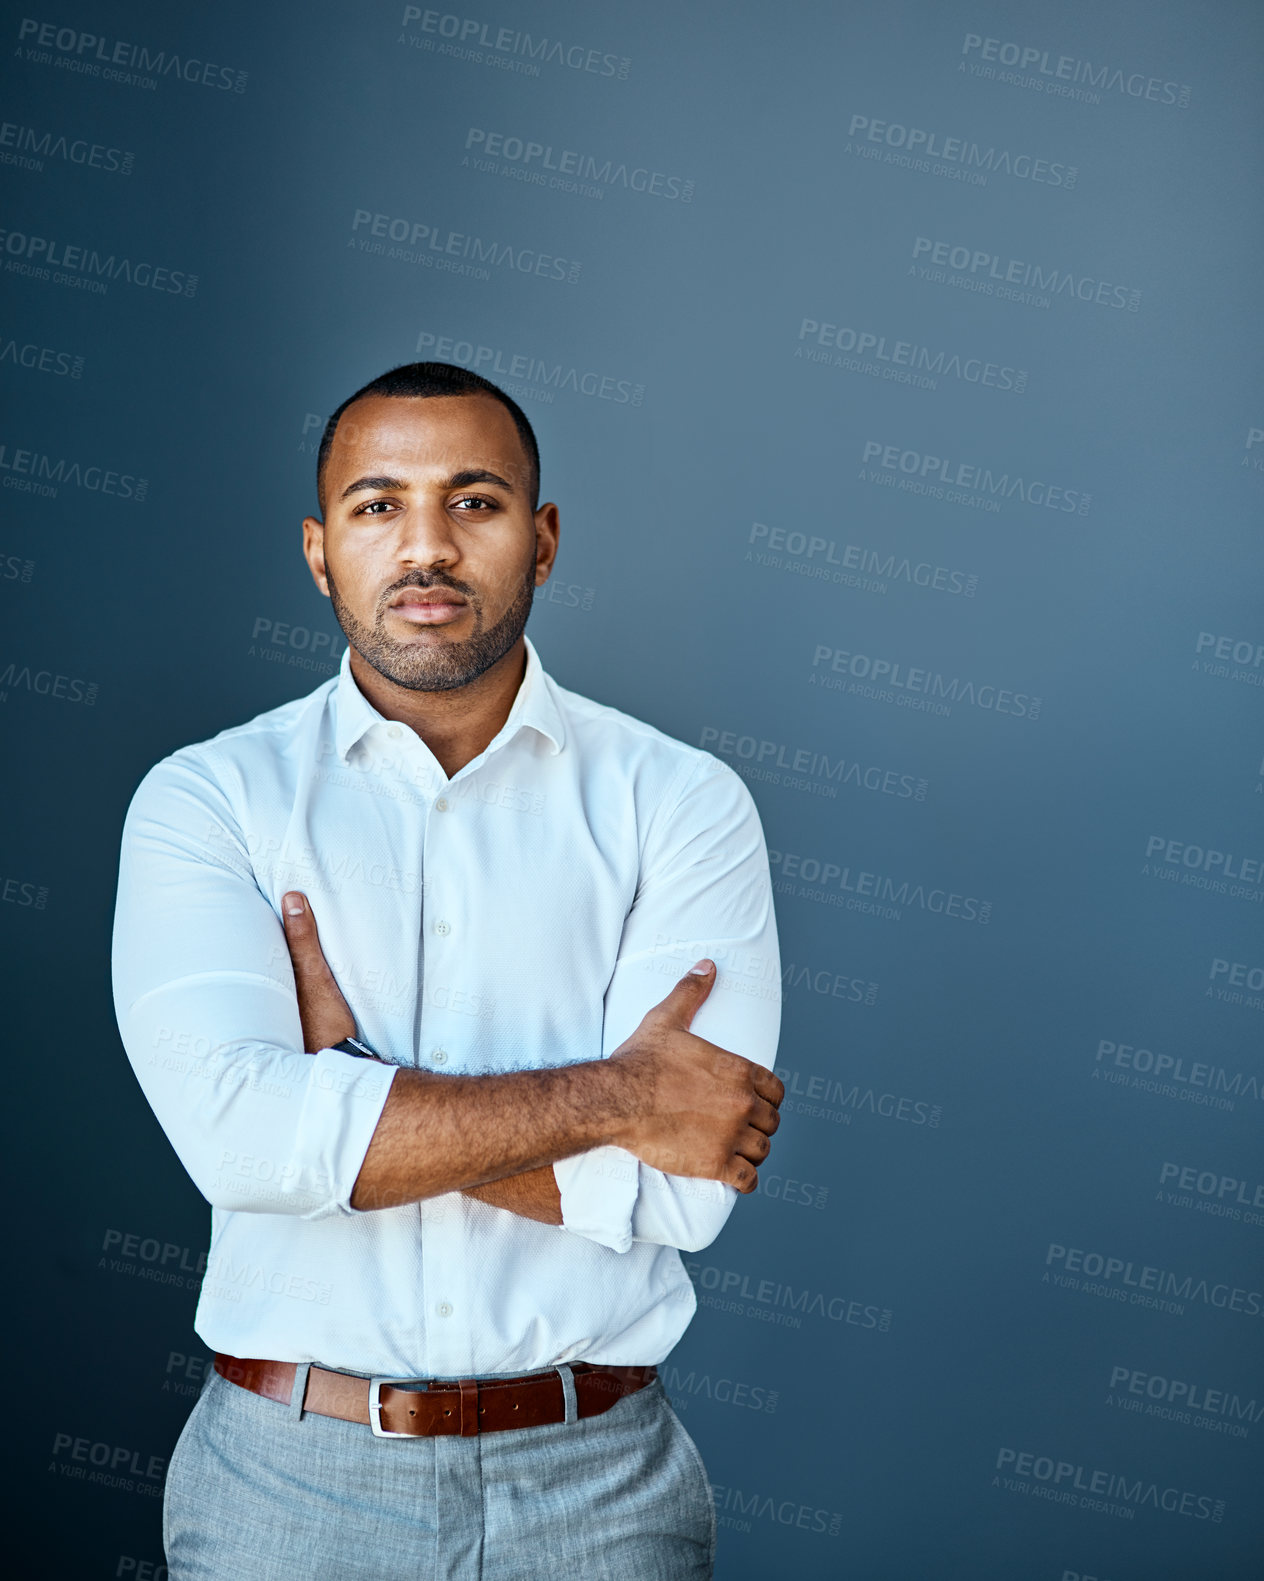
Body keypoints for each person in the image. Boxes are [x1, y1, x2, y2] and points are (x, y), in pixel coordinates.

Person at [112, 361, 784, 1579]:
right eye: (378, 506)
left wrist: (348, 1088)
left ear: (544, 537)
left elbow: (686, 1194)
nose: (425, 547)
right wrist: (621, 1098)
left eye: (473, 502)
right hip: (286, 1483)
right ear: (321, 552)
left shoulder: (680, 804)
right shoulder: (208, 801)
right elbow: (242, 1147)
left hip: (603, 1490)